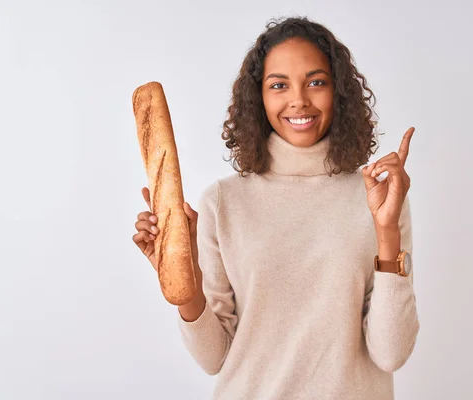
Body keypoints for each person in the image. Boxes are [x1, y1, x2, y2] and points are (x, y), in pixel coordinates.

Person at [132, 16, 419, 400]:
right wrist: (185, 283)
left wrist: (386, 233)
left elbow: (391, 353)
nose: (299, 99)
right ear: (259, 97)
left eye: (316, 82)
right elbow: (214, 359)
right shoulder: (222, 201)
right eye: (279, 85)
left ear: (339, 92)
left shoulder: (379, 198)